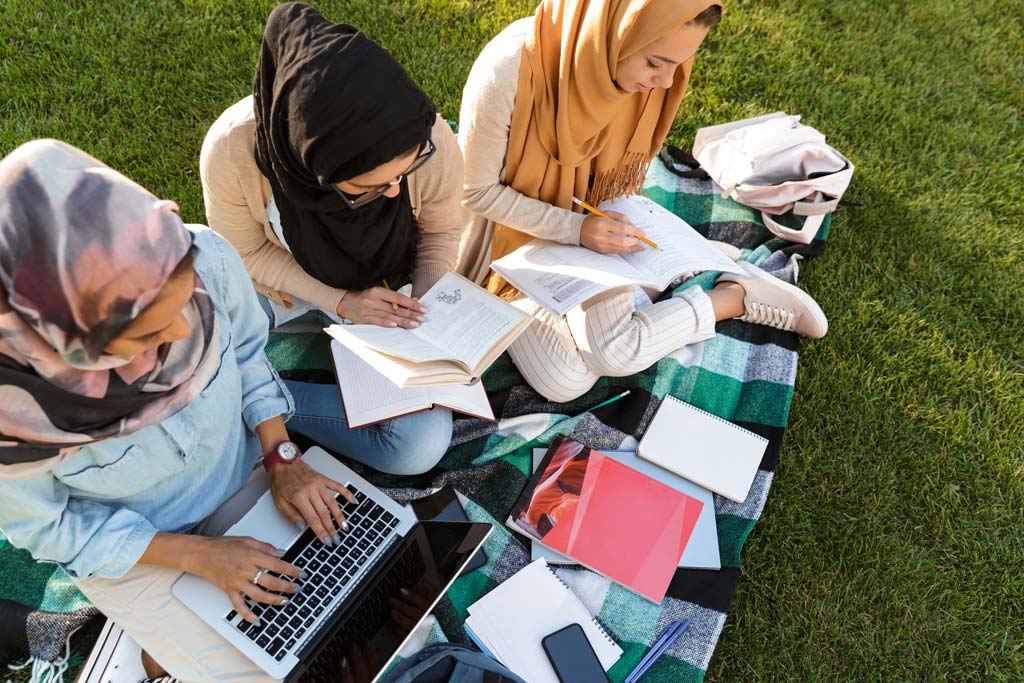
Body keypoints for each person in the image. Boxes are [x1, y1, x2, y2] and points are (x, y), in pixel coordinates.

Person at [0, 139, 372, 682]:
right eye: (146, 334)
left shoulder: (205, 255)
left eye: (185, 303)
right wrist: (199, 556)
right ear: (66, 338)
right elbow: (50, 528)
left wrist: (281, 456)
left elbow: (247, 352)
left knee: (352, 607)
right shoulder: (10, 419)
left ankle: (163, 647)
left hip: (250, 477)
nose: (182, 333)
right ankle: (138, 647)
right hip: (140, 548)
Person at [456, 0, 828, 403]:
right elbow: (476, 191)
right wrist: (576, 229)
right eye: (655, 63)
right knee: (562, 380)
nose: (667, 81)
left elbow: (616, 187)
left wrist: (590, 231)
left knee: (615, 351)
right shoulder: (509, 68)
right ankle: (718, 290)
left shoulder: (646, 81)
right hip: (511, 244)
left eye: (679, 64)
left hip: (597, 224)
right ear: (613, 31)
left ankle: (726, 293)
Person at [200, 2, 463, 473]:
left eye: (403, 175)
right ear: (315, 166)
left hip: (387, 293)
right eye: (369, 187)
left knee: (417, 444)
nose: (395, 191)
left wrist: (427, 320)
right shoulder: (232, 152)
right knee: (192, 334)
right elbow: (245, 253)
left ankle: (250, 402)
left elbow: (440, 232)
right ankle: (243, 399)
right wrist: (341, 302)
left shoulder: (426, 138)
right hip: (281, 285)